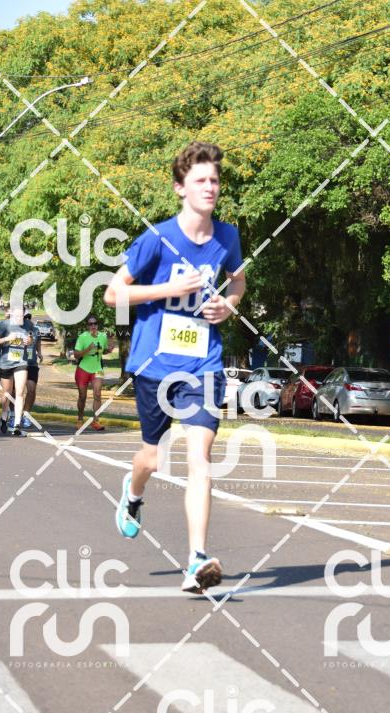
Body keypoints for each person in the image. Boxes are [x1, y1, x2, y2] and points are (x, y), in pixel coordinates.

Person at [104, 141, 246, 594]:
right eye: (201, 180)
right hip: (154, 364)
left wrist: (229, 305)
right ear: (180, 188)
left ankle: (197, 560)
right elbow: (112, 294)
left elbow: (238, 281)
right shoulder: (157, 238)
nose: (210, 187)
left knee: (199, 458)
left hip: (203, 364)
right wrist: (167, 289)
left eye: (215, 180)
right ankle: (133, 494)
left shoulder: (228, 237)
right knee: (153, 457)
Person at [0, 306, 33, 437]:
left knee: (20, 392)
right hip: (6, 363)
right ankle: (4, 416)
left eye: (21, 316)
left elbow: (31, 339)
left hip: (21, 362)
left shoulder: (28, 324)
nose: (19, 319)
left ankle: (17, 424)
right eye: (17, 316)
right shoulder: (4, 325)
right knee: (7, 393)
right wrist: (7, 339)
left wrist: (29, 341)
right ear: (12, 314)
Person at [73, 315, 114, 431]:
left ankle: (96, 421)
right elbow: (76, 355)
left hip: (98, 369)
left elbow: (103, 351)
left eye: (95, 323)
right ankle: (80, 419)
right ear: (87, 326)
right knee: (82, 396)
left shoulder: (103, 336)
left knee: (98, 394)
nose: (93, 326)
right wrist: (87, 349)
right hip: (83, 369)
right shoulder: (83, 337)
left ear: (97, 325)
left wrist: (108, 350)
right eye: (90, 324)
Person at [22, 312, 42, 428]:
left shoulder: (36, 330)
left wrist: (39, 352)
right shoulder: (18, 330)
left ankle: (26, 414)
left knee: (31, 390)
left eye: (29, 317)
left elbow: (38, 341)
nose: (28, 319)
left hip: (32, 364)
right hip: (19, 364)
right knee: (16, 391)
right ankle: (13, 413)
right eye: (25, 318)